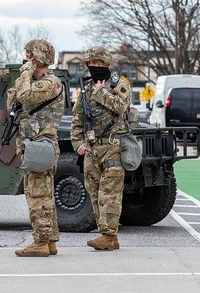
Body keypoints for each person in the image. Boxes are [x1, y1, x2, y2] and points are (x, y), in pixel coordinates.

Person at [70, 46, 132, 251]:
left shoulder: (119, 85)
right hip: (91, 148)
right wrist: (78, 144)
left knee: (110, 193)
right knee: (94, 192)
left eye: (98, 63)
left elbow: (121, 107)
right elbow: (77, 120)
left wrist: (101, 93)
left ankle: (109, 235)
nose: (94, 67)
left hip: (113, 146)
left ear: (107, 64)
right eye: (91, 64)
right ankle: (105, 234)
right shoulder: (85, 90)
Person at [7, 39, 64, 257]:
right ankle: (49, 240)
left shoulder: (50, 83)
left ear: (39, 57)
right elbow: (12, 102)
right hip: (33, 144)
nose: (26, 59)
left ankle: (40, 242)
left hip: (42, 144)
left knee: (37, 194)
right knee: (43, 193)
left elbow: (25, 96)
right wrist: (26, 77)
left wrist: (24, 75)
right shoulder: (31, 81)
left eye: (30, 55)